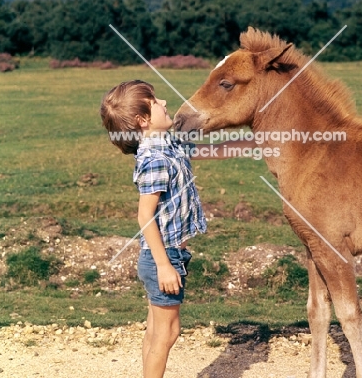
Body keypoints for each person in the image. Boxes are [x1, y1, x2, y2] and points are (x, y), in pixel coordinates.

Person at [100, 80, 253, 378]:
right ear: (143, 121)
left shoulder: (168, 145)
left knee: (156, 330)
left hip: (163, 257)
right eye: (155, 102)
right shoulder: (155, 159)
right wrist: (164, 266)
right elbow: (145, 216)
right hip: (163, 258)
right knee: (166, 334)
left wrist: (257, 140)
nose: (165, 103)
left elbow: (213, 152)